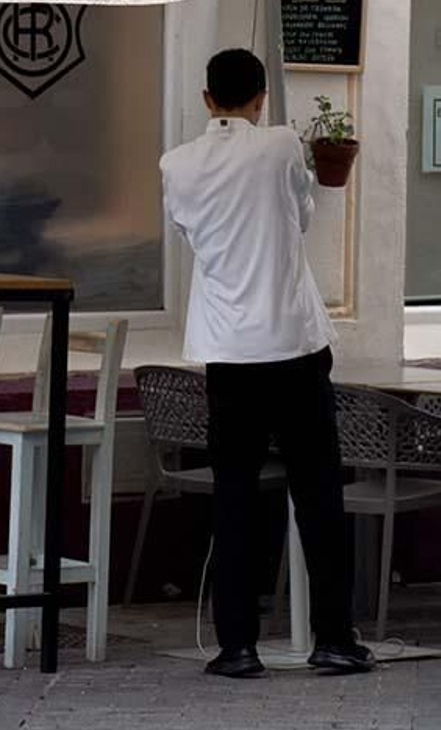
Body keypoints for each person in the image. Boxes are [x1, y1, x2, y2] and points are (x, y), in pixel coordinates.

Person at [159, 47, 372, 679]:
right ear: (260, 99)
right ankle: (334, 638)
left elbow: (190, 233)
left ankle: (237, 646)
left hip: (227, 352)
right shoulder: (280, 146)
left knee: (234, 497)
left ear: (206, 99)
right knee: (319, 493)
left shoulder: (176, 164)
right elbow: (301, 215)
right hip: (294, 345)